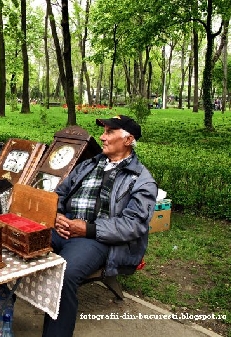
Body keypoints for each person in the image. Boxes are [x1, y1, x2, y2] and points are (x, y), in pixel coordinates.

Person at [42, 115, 158, 337]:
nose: (102, 137)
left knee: (64, 275)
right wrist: (55, 214)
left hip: (95, 238)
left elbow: (133, 224)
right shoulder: (89, 164)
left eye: (109, 132)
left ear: (128, 139)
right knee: (18, 245)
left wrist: (87, 229)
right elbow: (60, 193)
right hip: (62, 226)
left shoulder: (141, 180)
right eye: (103, 131)